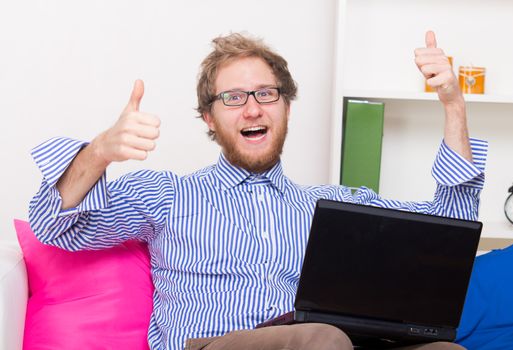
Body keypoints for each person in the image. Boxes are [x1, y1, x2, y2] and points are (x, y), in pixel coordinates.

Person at [29, 31, 487, 350]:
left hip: (324, 343)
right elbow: (54, 226)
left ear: (286, 107)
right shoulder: (167, 195)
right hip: (217, 344)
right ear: (209, 117)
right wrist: (99, 153)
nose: (251, 109)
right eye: (233, 98)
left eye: (266, 94)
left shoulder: (334, 205)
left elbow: (451, 228)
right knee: (323, 338)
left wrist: (453, 105)